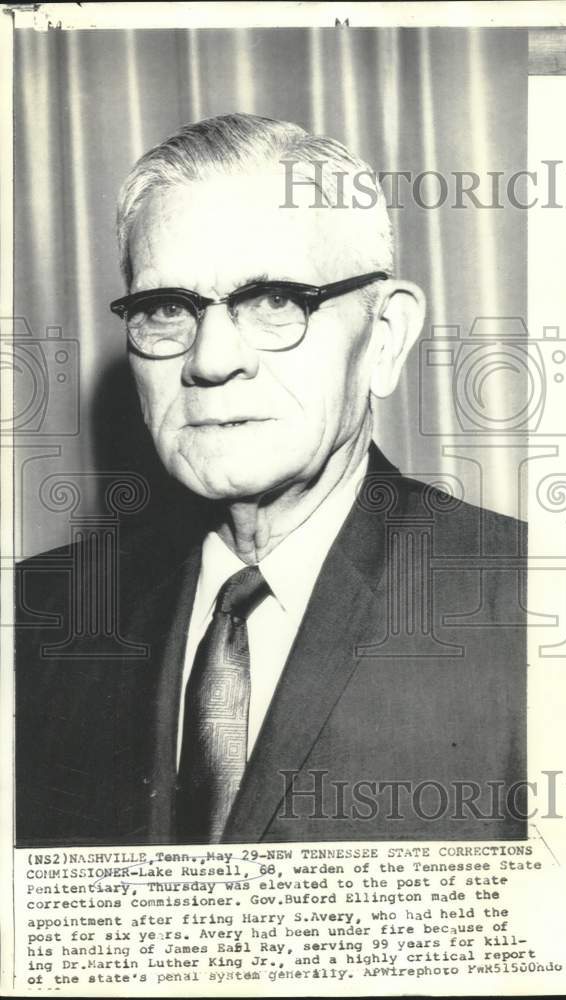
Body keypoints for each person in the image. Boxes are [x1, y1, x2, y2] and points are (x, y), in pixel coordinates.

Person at [15, 113, 526, 847]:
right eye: (167, 309)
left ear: (384, 339)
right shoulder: (34, 620)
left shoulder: (532, 608)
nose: (211, 359)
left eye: (275, 301)